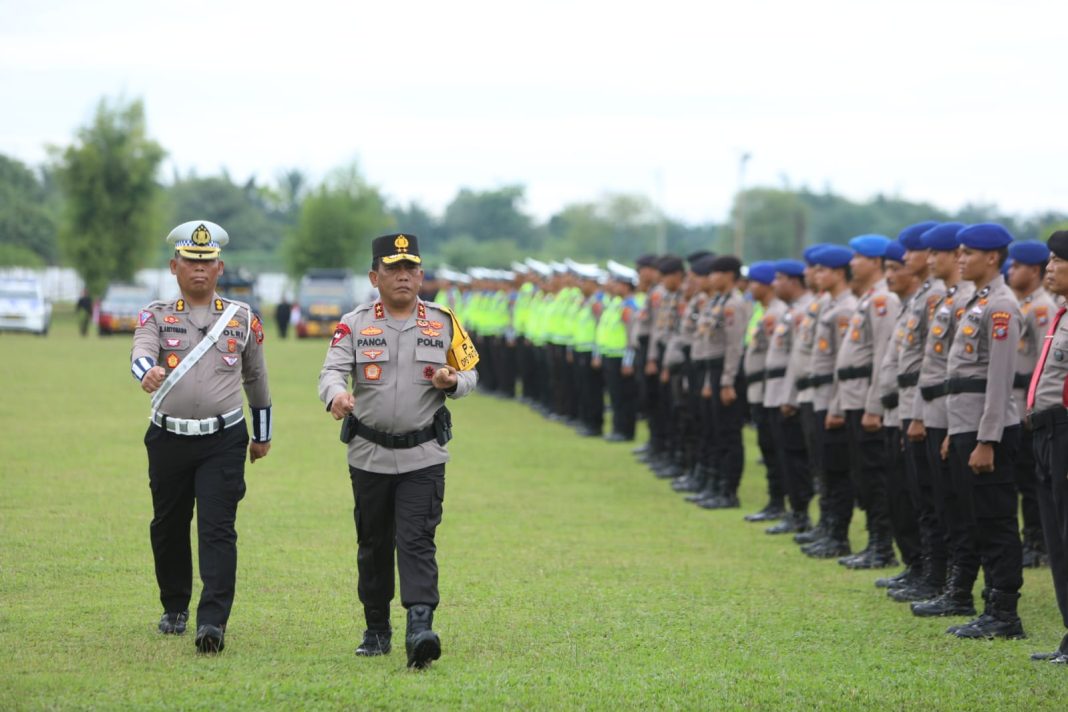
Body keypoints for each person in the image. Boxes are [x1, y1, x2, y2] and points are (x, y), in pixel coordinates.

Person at [318, 233, 479, 669]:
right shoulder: (353, 323)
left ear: (422, 275)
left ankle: (420, 627)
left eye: (411, 269)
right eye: (393, 269)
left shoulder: (443, 321)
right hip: (368, 453)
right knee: (373, 543)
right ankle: (376, 628)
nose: (403, 276)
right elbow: (332, 371)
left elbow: (470, 373)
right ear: (375, 277)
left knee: (417, 540)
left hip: (423, 454)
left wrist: (453, 382)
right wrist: (336, 396)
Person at [131, 220, 272, 654]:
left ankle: (212, 621)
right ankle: (174, 606)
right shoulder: (156, 314)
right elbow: (140, 351)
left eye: (207, 261)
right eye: (191, 261)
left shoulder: (242, 318)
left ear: (220, 267)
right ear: (175, 266)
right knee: (169, 525)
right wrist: (147, 372)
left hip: (223, 438)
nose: (199, 268)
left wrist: (261, 434)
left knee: (217, 529)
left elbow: (257, 378)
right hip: (168, 437)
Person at [935, 223, 1025, 640]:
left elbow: (1000, 378)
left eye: (969, 252)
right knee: (975, 518)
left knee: (996, 520)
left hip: (990, 428)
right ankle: (988, 607)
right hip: (966, 423)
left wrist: (988, 438)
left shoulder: (1002, 306)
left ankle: (1004, 614)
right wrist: (958, 431)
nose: (960, 259)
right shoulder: (976, 301)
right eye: (959, 252)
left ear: (993, 257)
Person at [1026, 229, 1068, 664]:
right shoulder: (1060, 314)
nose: (1049, 268)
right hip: (1045, 431)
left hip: (1064, 431)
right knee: (1057, 539)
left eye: (1058, 261)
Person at [1006, 240, 1057, 568]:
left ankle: (1037, 542)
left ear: (1034, 270)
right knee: (1022, 477)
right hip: (1014, 399)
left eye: (1017, 266)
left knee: (1032, 479)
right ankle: (1033, 539)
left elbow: (1043, 360)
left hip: (1029, 402)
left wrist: (1031, 404)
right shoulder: (1022, 304)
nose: (1010, 271)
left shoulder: (1042, 308)